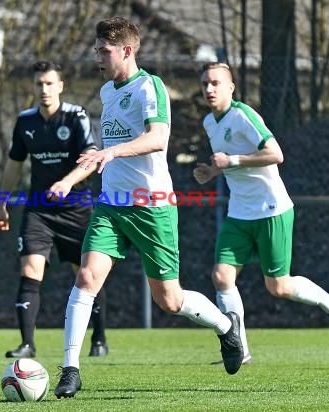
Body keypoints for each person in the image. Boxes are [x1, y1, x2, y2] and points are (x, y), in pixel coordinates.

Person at [54, 17, 245, 399]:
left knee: (169, 300)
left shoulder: (150, 86)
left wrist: (112, 149)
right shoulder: (108, 92)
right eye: (95, 50)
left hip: (152, 206)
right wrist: (91, 158)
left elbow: (157, 138)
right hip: (111, 205)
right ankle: (70, 369)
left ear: (126, 50)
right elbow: (110, 146)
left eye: (103, 51)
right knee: (87, 277)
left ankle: (226, 327)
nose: (97, 57)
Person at [194, 62, 329, 365]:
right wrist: (212, 172)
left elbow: (275, 154)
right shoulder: (209, 123)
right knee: (221, 276)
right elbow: (228, 163)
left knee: (278, 286)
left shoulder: (243, 115)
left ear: (231, 87)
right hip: (239, 213)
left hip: (271, 209)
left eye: (216, 83)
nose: (209, 89)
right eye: (205, 84)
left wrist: (232, 160)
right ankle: (238, 348)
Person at [0, 60, 109, 359]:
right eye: (38, 84)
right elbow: (14, 164)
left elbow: (92, 157)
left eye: (49, 83)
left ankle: (98, 338)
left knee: (86, 274)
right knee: (30, 269)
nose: (43, 90)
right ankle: (28, 344)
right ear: (33, 88)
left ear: (60, 86)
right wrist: (1, 203)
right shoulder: (25, 121)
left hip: (76, 207)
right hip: (39, 210)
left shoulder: (75, 116)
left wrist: (67, 182)